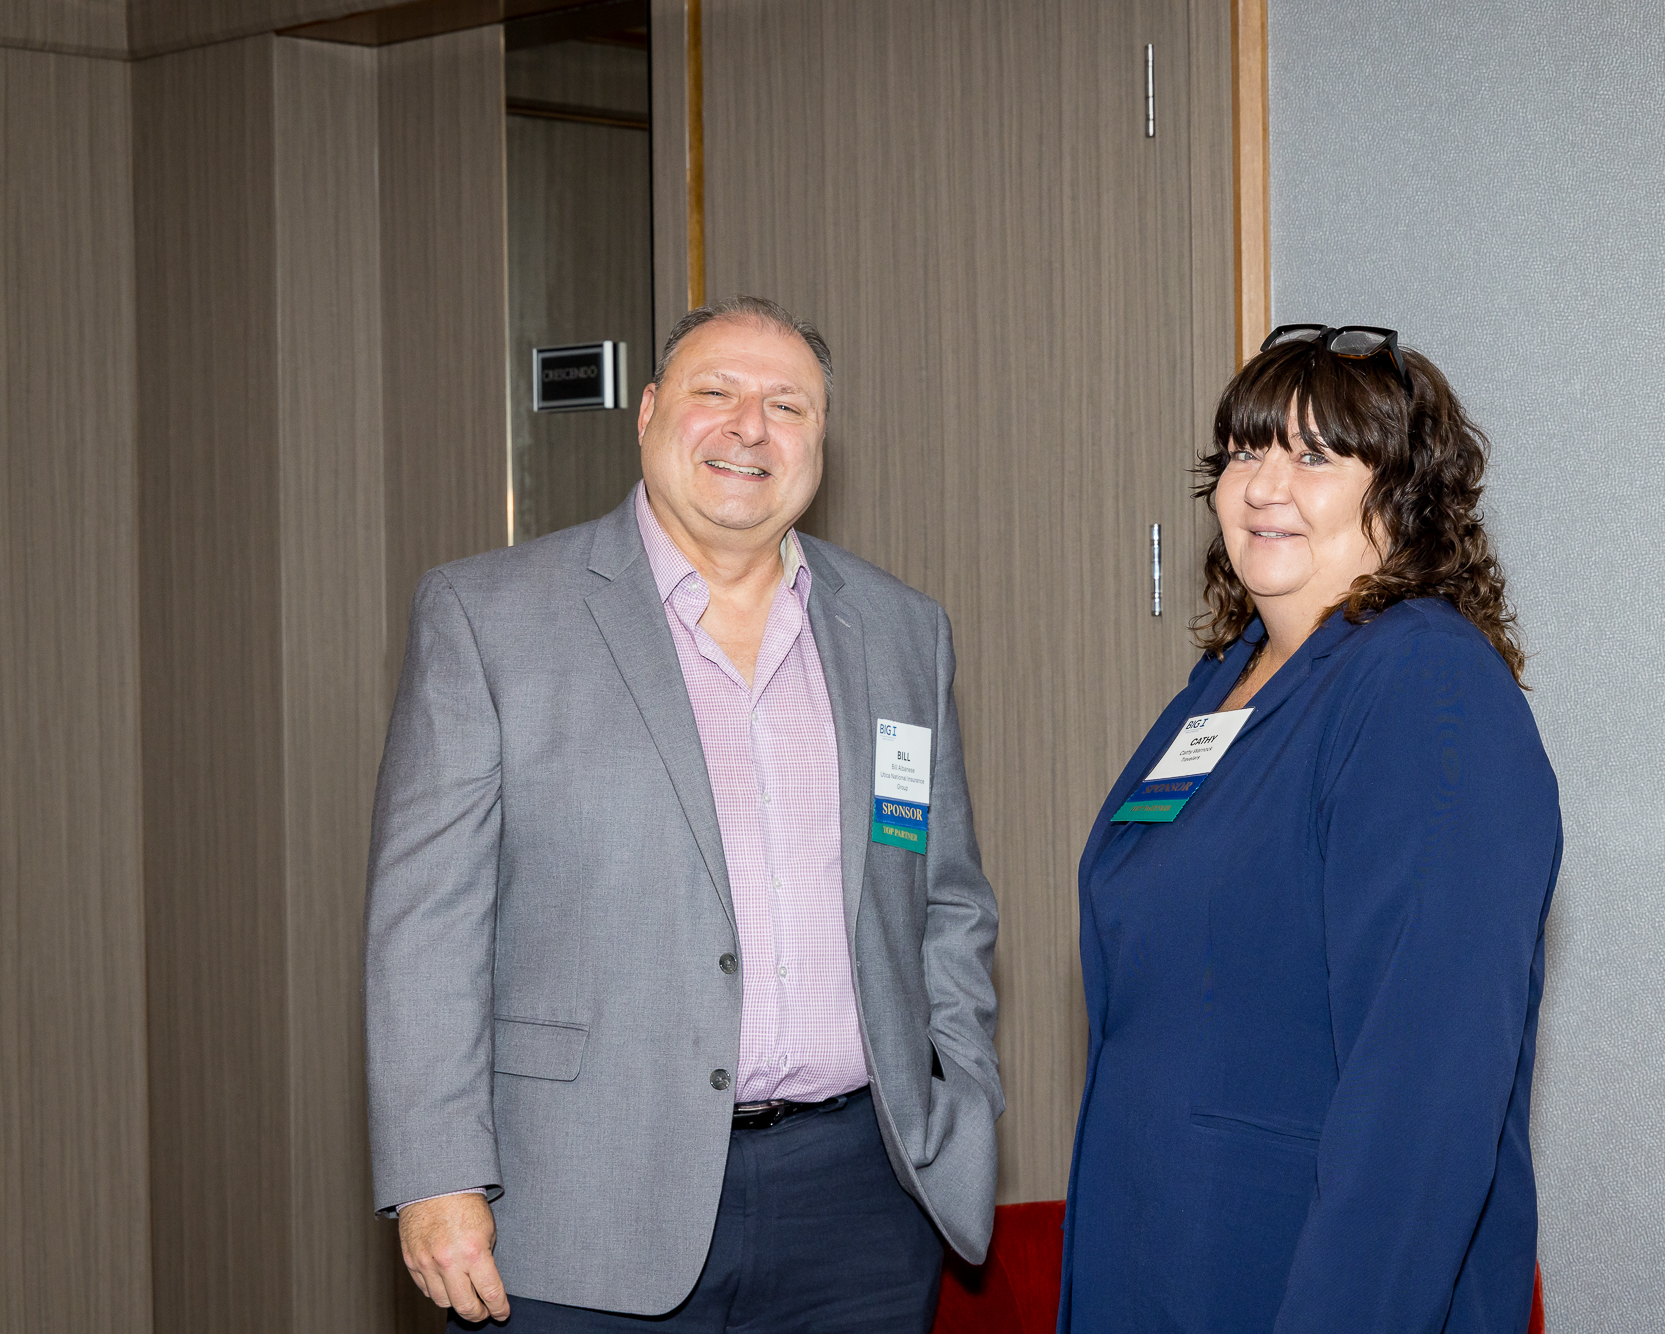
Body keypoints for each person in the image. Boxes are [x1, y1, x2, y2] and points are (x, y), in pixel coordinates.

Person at [366, 295, 1002, 1331]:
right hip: (578, 1203)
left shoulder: (900, 630)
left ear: (821, 441)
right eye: (716, 392)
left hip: (861, 1207)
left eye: (787, 405)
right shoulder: (489, 617)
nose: (750, 428)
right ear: (649, 412)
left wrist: (957, 1090)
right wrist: (435, 1173)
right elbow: (423, 928)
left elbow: (947, 898)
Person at [1058, 326, 1562, 1333]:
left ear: (1405, 496)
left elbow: (1425, 1095)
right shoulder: (1226, 679)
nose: (1263, 486)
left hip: (1301, 1274)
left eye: (1315, 456)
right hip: (1159, 1252)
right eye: (1246, 450)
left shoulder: (1426, 686)